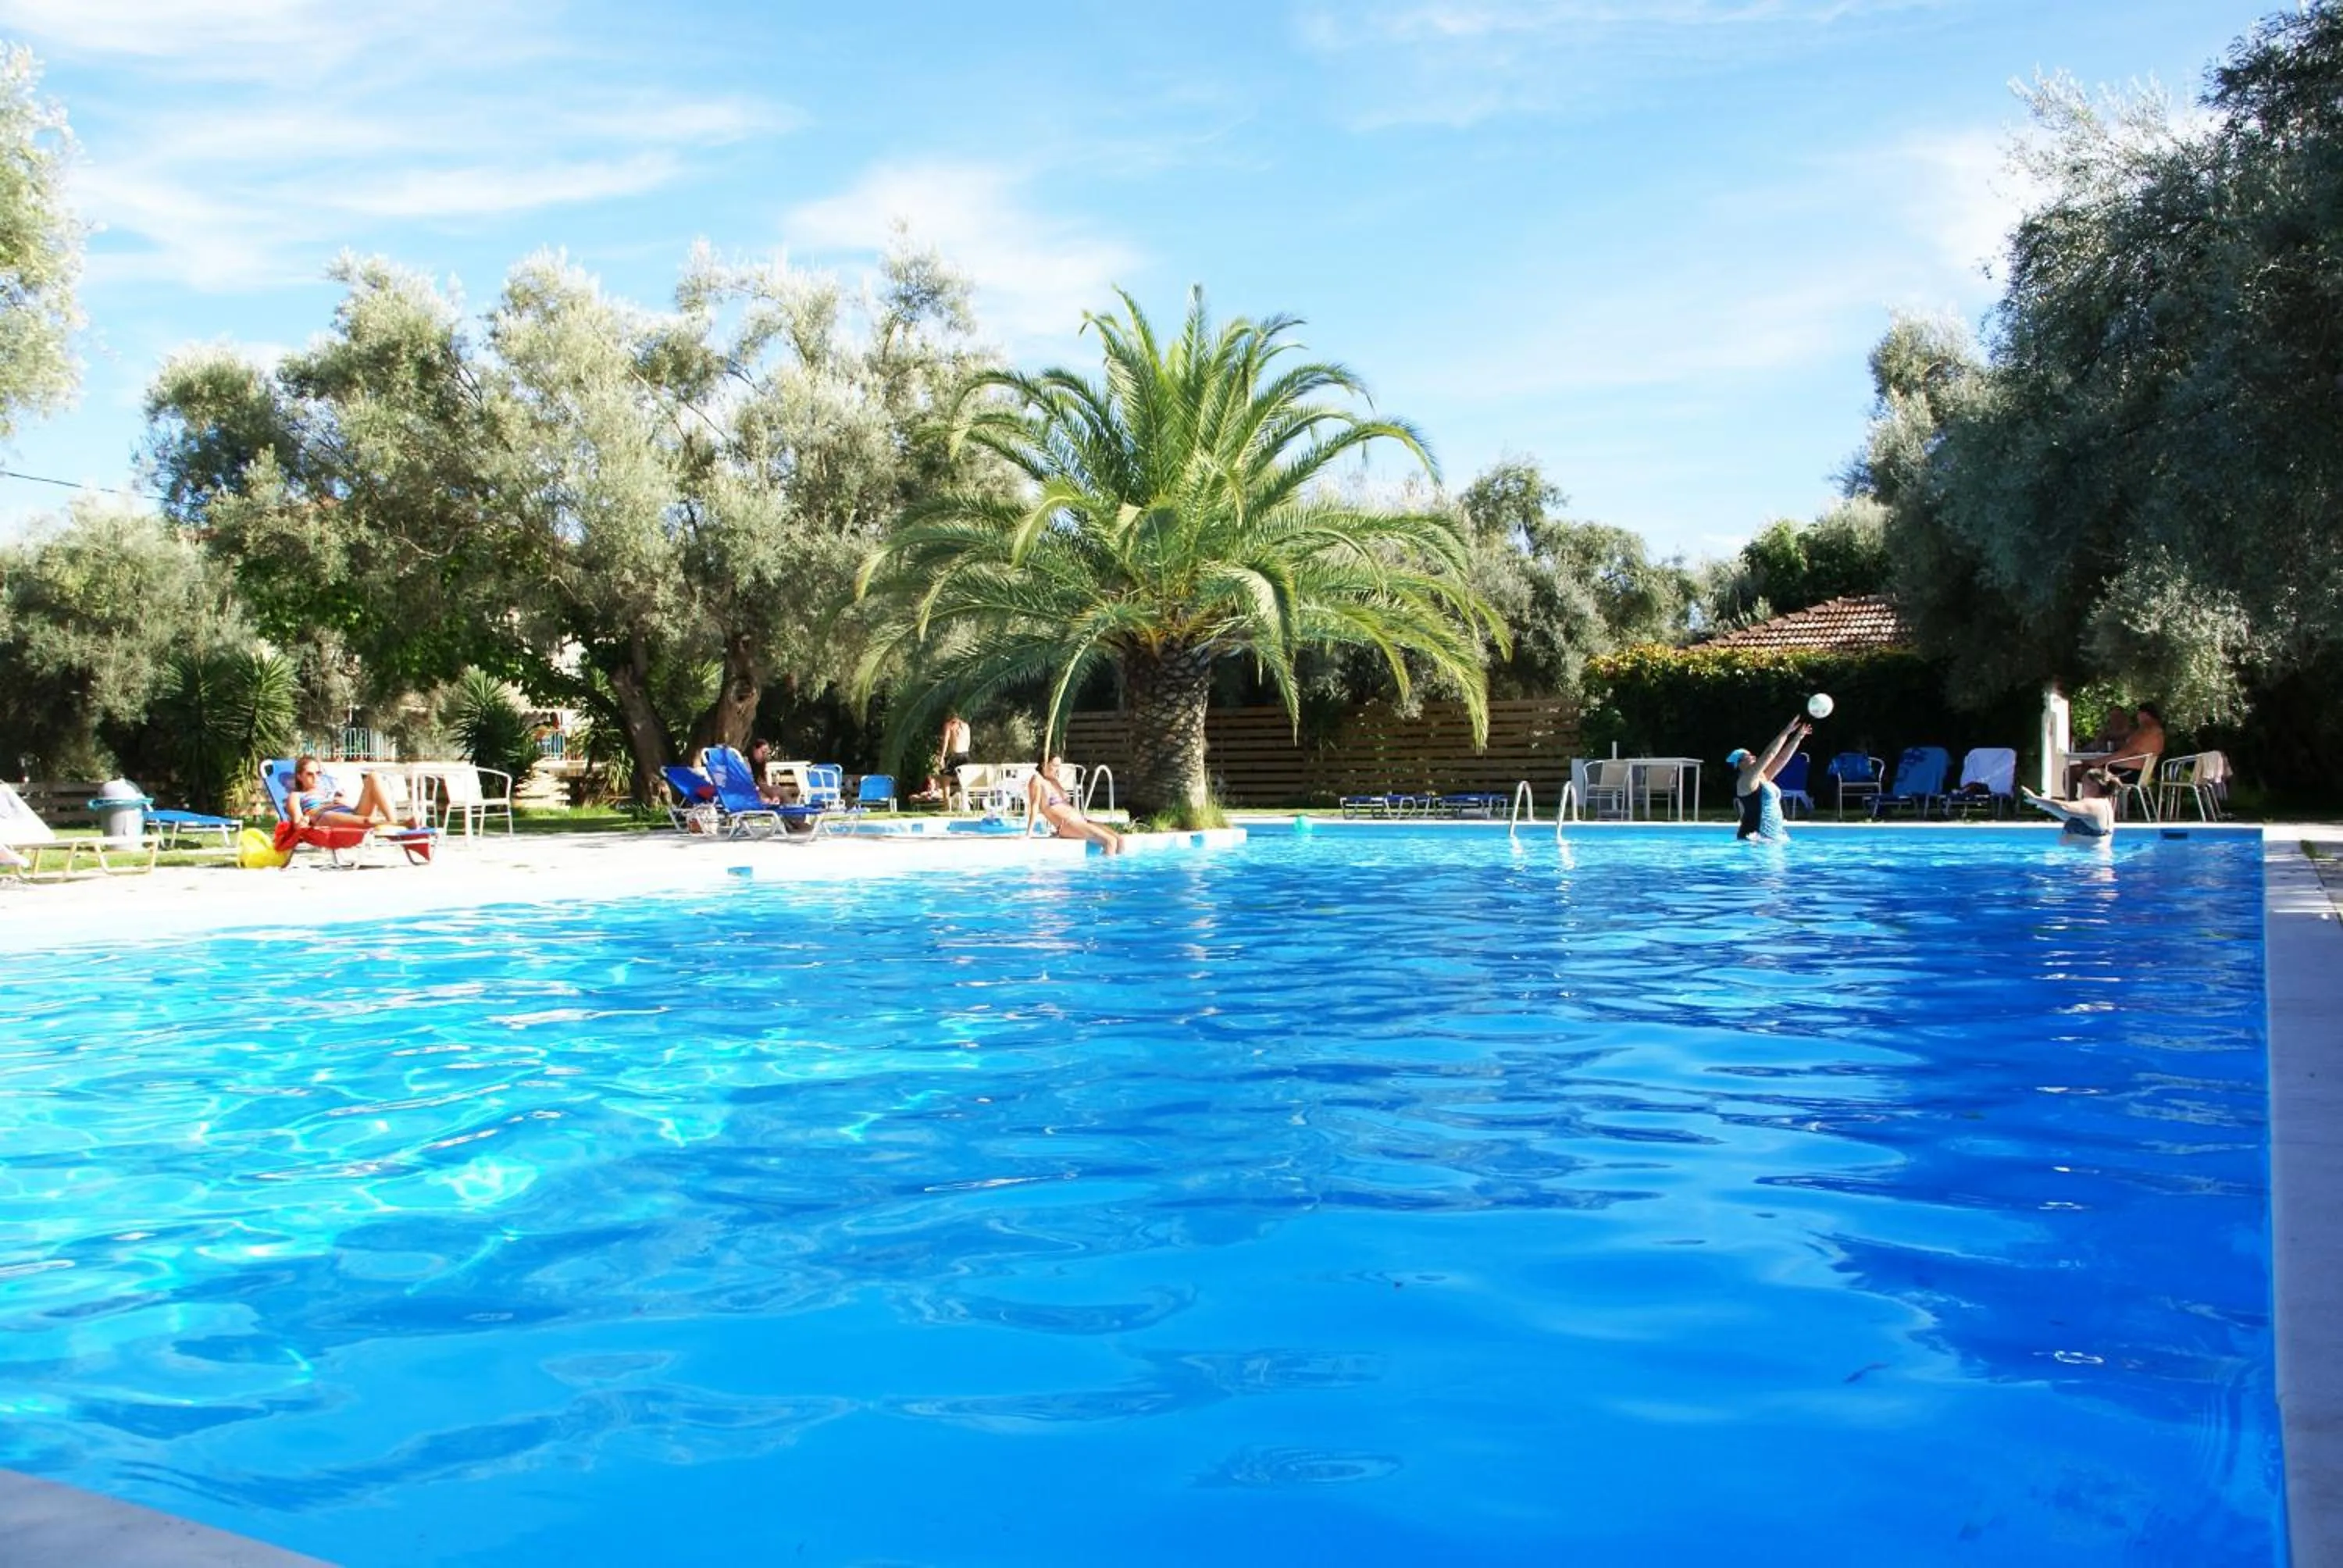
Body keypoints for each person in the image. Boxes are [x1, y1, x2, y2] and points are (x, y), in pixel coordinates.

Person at [1728, 715, 1812, 842]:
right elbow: (1770, 754)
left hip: (1771, 838)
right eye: (1748, 756)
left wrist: (1798, 738)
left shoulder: (1763, 778)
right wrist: (1786, 732)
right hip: (1753, 840)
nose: (1753, 757)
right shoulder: (1746, 781)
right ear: (1739, 764)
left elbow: (1781, 759)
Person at [285, 756, 414, 831]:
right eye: (309, 774)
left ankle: (393, 822)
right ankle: (402, 824)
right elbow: (298, 825)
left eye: (318, 773)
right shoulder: (296, 796)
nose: (315, 778)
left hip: (350, 813)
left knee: (373, 777)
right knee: (367, 820)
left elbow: (351, 806)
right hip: (323, 816)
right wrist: (306, 820)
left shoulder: (330, 790)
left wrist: (347, 802)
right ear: (299, 777)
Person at [1026, 755, 1123, 853]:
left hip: (1081, 820)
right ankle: (1108, 868)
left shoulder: (1054, 781)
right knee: (1110, 841)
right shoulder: (1037, 780)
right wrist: (1029, 832)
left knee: (1120, 840)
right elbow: (1035, 805)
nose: (1058, 769)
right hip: (1067, 824)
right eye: (1055, 766)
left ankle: (1118, 867)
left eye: (1059, 766)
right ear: (1044, 765)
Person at [2020, 775, 2116, 839]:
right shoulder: (2104, 803)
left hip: (2085, 864)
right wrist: (2044, 805)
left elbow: (2064, 808)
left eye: (2084, 783)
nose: (2082, 787)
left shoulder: (2093, 804)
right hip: (2089, 861)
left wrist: (2035, 798)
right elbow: (2068, 816)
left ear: (2094, 785)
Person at [940, 711, 972, 811]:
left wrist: (942, 757)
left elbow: (946, 741)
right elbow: (968, 742)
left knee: (945, 781)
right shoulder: (966, 726)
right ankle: (965, 805)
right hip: (965, 755)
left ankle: (947, 807)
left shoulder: (949, 725)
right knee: (964, 782)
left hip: (954, 755)